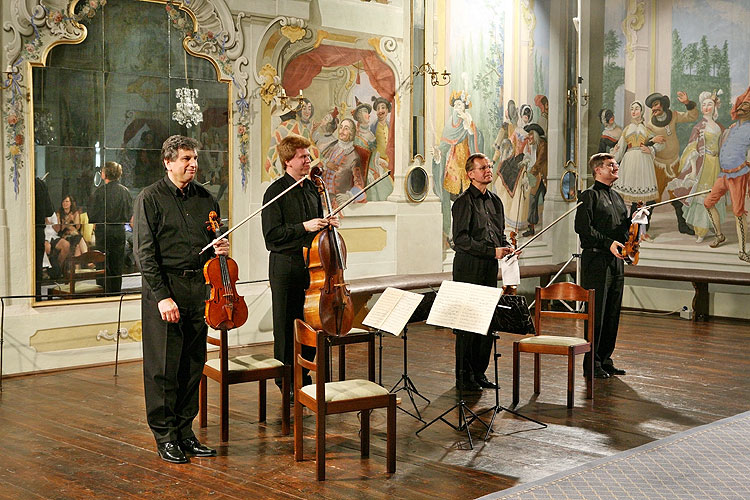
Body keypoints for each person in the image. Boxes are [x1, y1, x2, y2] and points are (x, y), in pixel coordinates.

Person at [133, 135, 228, 464]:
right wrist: (162, 298)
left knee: (192, 366)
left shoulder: (206, 199)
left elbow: (214, 241)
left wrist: (221, 248)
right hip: (166, 290)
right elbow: (144, 255)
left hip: (198, 290)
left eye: (195, 158)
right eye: (186, 158)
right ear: (168, 162)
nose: (193, 164)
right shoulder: (150, 198)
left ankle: (185, 431)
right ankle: (164, 435)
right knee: (163, 368)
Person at [261, 134, 340, 399]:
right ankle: (286, 381)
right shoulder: (275, 192)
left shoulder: (310, 189)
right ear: (287, 161)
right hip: (286, 267)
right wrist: (304, 227)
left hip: (312, 268)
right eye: (302, 157)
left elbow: (316, 234)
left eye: (308, 156)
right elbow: (271, 236)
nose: (308, 160)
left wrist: (327, 224)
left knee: (309, 323)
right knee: (286, 325)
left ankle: (304, 375)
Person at [452, 153, 515, 391]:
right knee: (467, 321)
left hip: (488, 266)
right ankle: (463, 375)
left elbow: (498, 234)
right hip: (468, 267)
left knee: (486, 321)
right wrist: (492, 252)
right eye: (482, 168)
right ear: (470, 174)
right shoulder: (463, 202)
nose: (488, 170)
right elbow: (461, 240)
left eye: (489, 166)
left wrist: (506, 249)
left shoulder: (496, 201)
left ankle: (480, 372)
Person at [574, 153, 631, 379]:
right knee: (596, 313)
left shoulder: (617, 197)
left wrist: (635, 220)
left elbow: (621, 230)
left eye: (615, 164)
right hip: (595, 261)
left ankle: (605, 358)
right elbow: (583, 228)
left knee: (612, 312)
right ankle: (592, 363)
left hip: (615, 262)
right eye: (610, 165)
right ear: (598, 170)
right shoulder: (589, 196)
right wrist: (608, 243)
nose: (615, 167)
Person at [667, 91, 725, 243]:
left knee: (714, 195)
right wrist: (692, 170)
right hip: (703, 165)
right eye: (704, 105)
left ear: (715, 107)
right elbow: (692, 150)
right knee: (702, 197)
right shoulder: (699, 127)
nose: (706, 107)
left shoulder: (719, 127)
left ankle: (712, 224)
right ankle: (701, 230)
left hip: (716, 165)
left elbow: (723, 146)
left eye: (709, 104)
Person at [703, 86, 750, 262]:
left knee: (738, 213)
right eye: (739, 107)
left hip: (738, 175)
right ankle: (720, 235)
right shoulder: (733, 126)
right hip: (724, 175)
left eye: (745, 107)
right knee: (708, 203)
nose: (740, 109)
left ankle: (742, 251)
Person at [645, 91, 699, 235]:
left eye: (656, 104)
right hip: (659, 165)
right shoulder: (650, 126)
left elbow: (692, 116)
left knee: (677, 195)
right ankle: (645, 227)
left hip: (674, 163)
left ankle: (682, 226)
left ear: (662, 104)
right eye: (652, 106)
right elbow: (643, 143)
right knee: (653, 196)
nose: (654, 108)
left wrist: (687, 103)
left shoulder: (673, 115)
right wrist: (652, 140)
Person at [611, 101, 661, 237]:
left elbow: (659, 145)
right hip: (629, 162)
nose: (634, 111)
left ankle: (642, 232)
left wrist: (650, 149)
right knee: (627, 201)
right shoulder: (626, 129)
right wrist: (612, 156)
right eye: (631, 109)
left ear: (642, 111)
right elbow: (620, 149)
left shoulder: (647, 129)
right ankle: (627, 230)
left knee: (642, 202)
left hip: (644, 163)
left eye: (637, 109)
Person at [89, 161, 133, 294]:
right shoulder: (125, 192)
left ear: (104, 174)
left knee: (102, 263)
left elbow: (92, 215)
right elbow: (128, 213)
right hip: (119, 230)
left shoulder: (99, 192)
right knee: (117, 264)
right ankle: (115, 293)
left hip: (103, 230)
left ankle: (102, 292)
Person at [319, 118, 368, 209]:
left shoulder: (354, 157)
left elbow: (360, 185)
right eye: (341, 127)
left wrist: (349, 196)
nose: (342, 131)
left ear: (352, 132)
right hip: (323, 199)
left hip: (338, 204)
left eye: (346, 128)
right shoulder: (333, 148)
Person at [35, 177, 55, 297]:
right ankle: (37, 297)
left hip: (26, 229)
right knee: (37, 268)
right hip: (37, 231)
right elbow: (49, 211)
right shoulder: (40, 184)